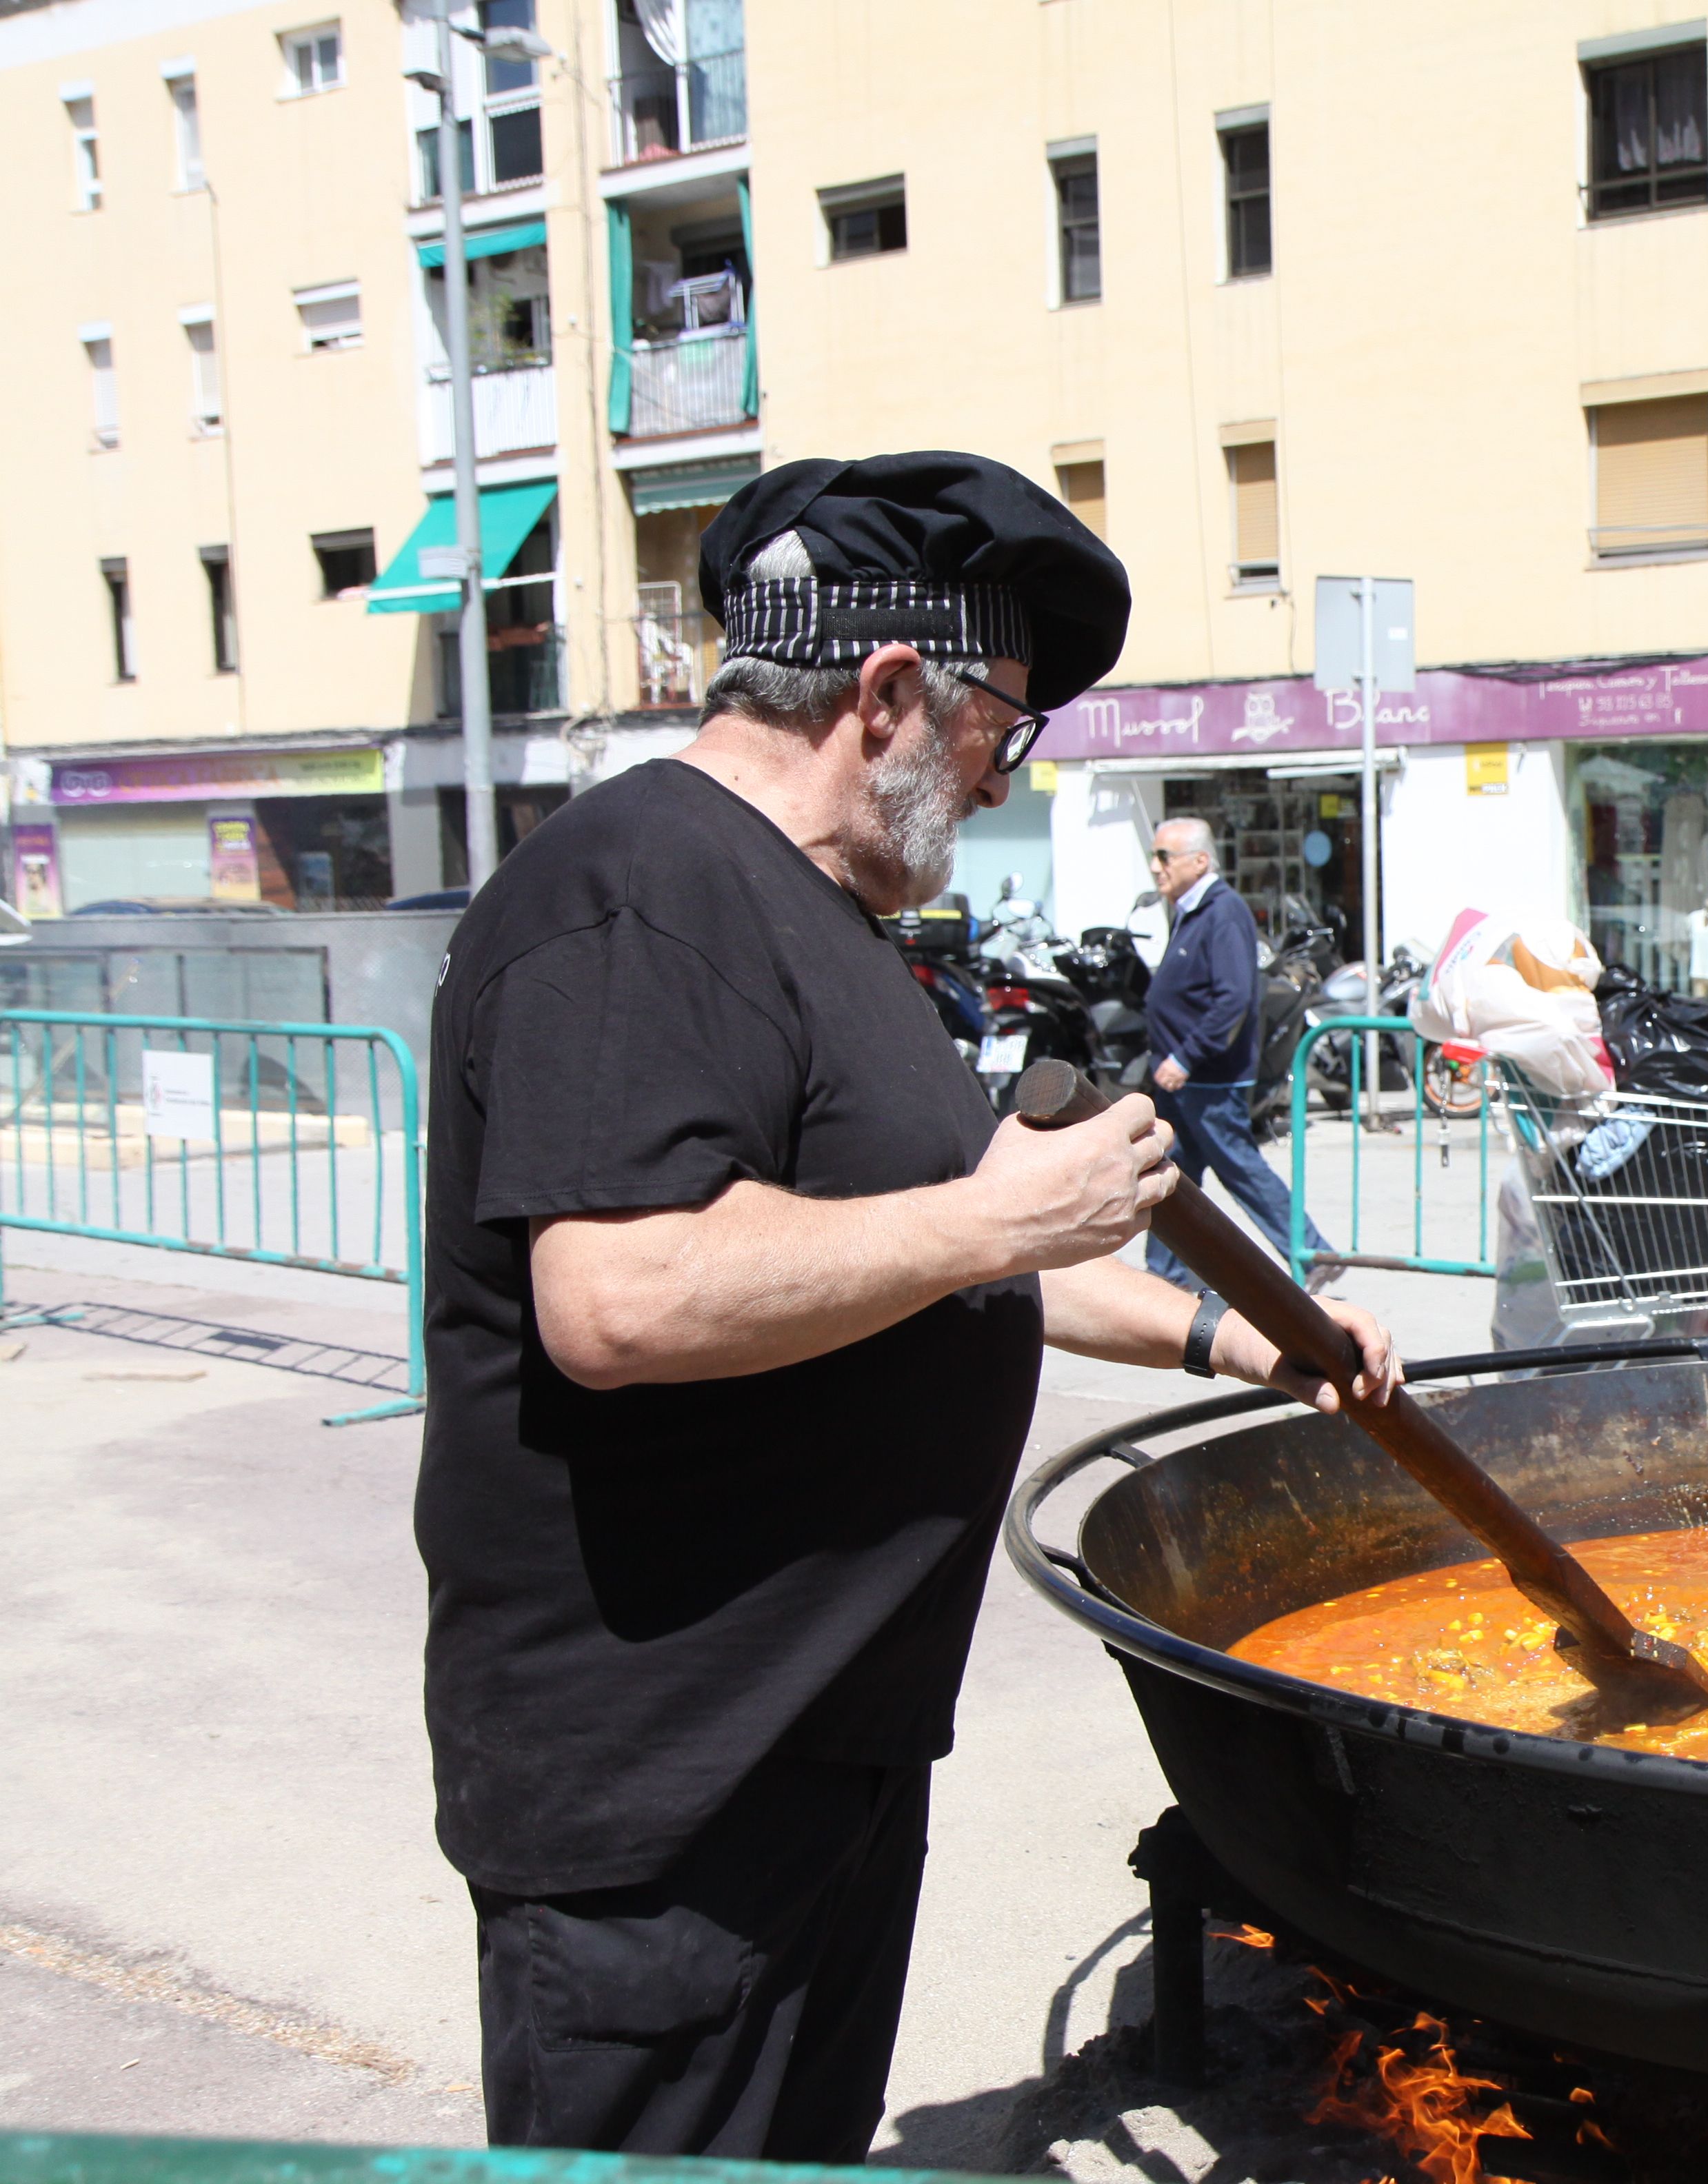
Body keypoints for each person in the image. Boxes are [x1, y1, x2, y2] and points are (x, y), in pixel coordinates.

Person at [415, 452, 1403, 2163]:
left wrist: (1244, 1339)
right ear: (884, 693)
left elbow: (984, 1251)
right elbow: (620, 1292)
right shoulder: (637, 889)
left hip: (820, 1747)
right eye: (998, 731)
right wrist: (980, 1218)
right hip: (665, 1795)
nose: (1001, 785)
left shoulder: (825, 925)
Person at [1141, 815, 1340, 1293]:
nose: (1154, 867)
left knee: (1240, 1169)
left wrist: (1187, 1056)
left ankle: (1312, 1252)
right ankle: (1164, 1273)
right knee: (1172, 1176)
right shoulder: (1190, 910)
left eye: (1164, 856)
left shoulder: (1222, 911)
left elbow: (1233, 998)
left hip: (1207, 1077)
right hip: (1183, 1078)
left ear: (1199, 860)